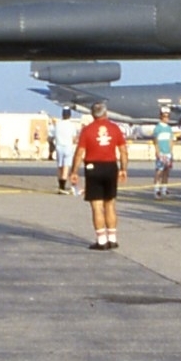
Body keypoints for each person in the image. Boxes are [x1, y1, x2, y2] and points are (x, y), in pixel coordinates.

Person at [68, 102, 127, 250]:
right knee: (110, 203)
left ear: (93, 114)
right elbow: (123, 150)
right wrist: (123, 169)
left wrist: (74, 171)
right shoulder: (115, 128)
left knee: (96, 206)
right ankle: (112, 238)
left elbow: (80, 153)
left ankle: (101, 240)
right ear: (106, 113)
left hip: (93, 167)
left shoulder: (87, 130)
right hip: (110, 166)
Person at [53, 109, 79, 194]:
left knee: (60, 166)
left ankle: (60, 186)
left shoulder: (58, 124)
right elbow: (74, 138)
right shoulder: (71, 125)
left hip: (59, 146)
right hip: (68, 146)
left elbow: (53, 135)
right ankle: (63, 187)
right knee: (66, 166)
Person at [152, 110, 175, 196]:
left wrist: (171, 151)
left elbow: (170, 140)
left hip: (168, 152)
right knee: (159, 171)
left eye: (168, 116)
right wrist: (157, 151)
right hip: (161, 152)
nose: (167, 118)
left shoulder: (169, 128)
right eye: (165, 116)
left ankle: (164, 189)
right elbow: (156, 141)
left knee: (166, 171)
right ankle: (156, 189)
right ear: (161, 117)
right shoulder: (158, 128)